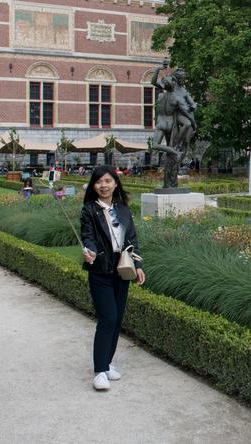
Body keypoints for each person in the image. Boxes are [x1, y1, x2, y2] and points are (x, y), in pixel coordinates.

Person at [79, 166, 144, 392]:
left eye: (108, 181)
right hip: (100, 270)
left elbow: (132, 238)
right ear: (93, 186)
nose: (103, 185)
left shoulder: (124, 210)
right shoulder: (89, 211)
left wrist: (138, 265)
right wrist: (90, 251)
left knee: (117, 320)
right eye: (99, 182)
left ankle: (106, 364)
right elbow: (88, 236)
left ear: (116, 183)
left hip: (122, 270)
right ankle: (99, 371)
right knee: (107, 318)